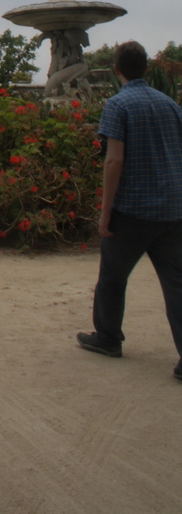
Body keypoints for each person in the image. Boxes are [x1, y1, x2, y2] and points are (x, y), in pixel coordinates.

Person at [76, 40, 182, 383]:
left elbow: (114, 160)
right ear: (147, 69)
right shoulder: (171, 105)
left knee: (112, 278)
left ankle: (108, 338)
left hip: (133, 210)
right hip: (172, 209)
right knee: (177, 285)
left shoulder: (117, 105)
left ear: (115, 70)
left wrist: (106, 213)